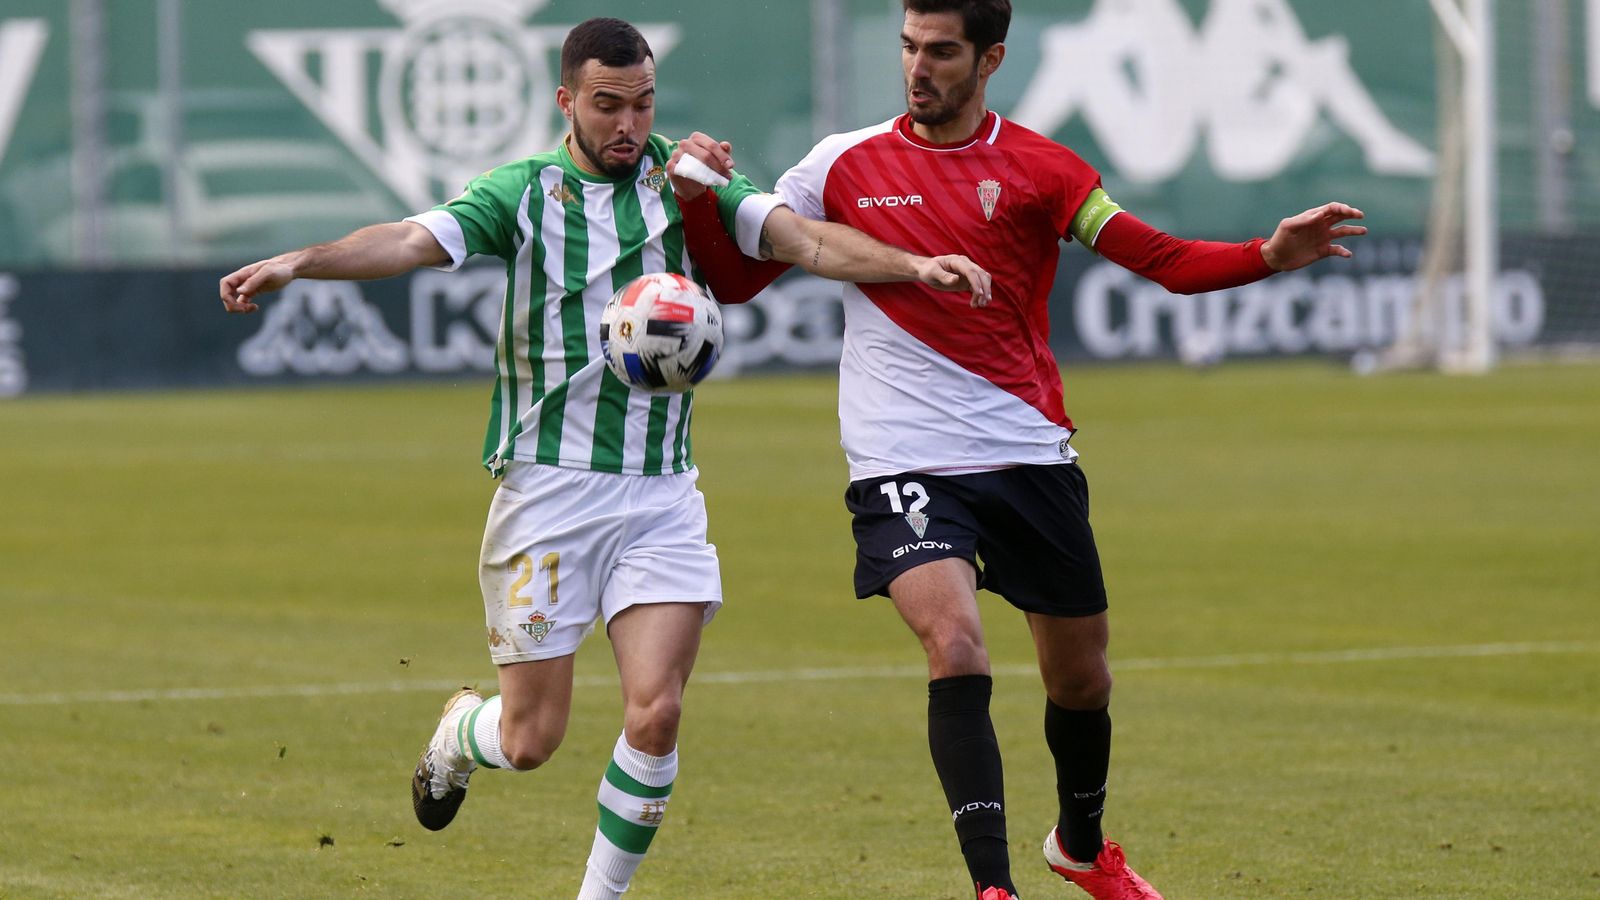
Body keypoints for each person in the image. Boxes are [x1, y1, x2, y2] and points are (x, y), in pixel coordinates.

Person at [218, 17, 989, 900]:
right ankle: (459, 734)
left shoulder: (687, 177)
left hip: (663, 493)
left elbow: (802, 238)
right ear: (567, 103)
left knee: (656, 711)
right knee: (530, 740)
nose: (629, 124)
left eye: (643, 103)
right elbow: (407, 239)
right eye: (608, 105)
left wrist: (910, 264)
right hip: (548, 492)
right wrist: (298, 262)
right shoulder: (521, 193)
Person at [667, 1, 1367, 898]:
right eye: (911, 48)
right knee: (955, 646)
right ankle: (992, 888)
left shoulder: (1043, 169)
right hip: (901, 460)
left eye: (943, 52)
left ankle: (1080, 846)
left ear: (990, 58)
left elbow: (1164, 261)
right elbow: (734, 280)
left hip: (1026, 450)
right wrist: (696, 208)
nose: (920, 69)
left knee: (1080, 679)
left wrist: (1266, 253)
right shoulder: (840, 164)